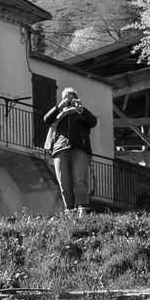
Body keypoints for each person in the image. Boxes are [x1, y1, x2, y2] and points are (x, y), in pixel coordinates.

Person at [44, 87, 98, 215]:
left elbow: (93, 122)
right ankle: (70, 211)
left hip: (80, 149)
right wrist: (59, 107)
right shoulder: (59, 116)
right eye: (67, 99)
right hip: (60, 150)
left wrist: (81, 109)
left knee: (79, 180)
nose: (70, 101)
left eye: (72, 98)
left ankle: (82, 211)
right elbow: (46, 120)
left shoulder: (82, 114)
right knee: (64, 183)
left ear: (77, 99)